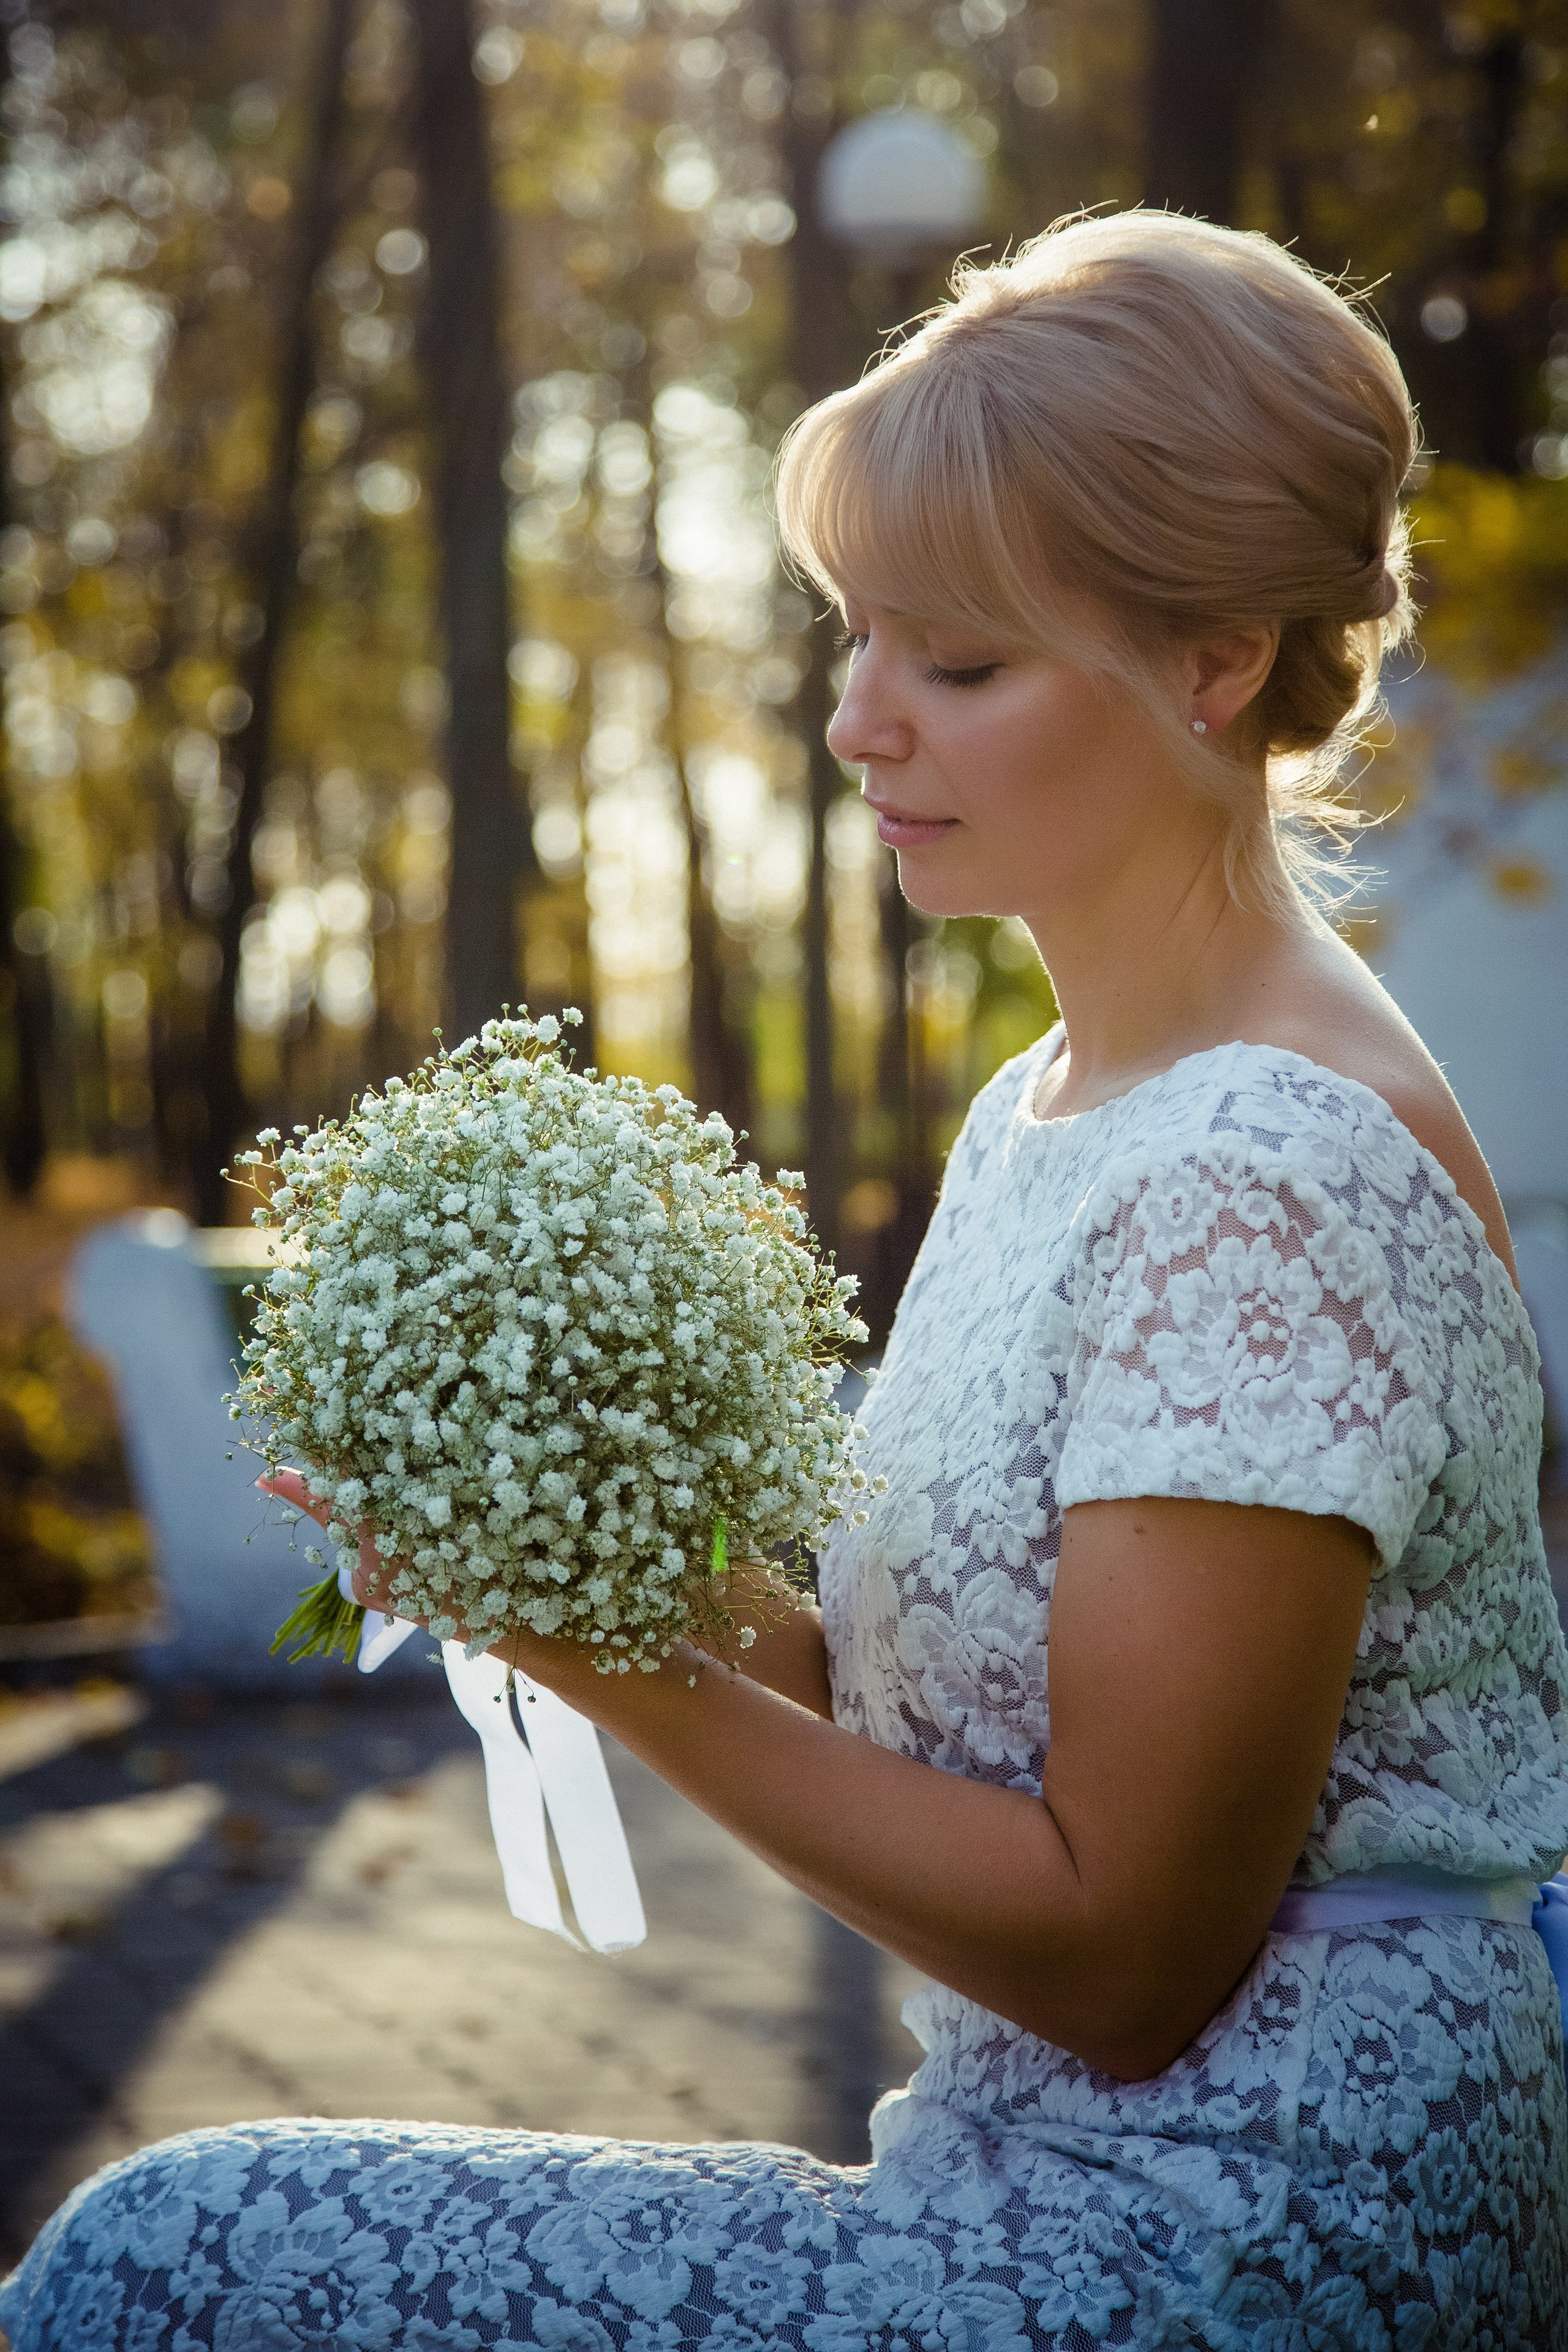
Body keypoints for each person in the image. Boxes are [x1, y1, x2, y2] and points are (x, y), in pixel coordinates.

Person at [6, 207, 1567, 2352]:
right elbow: (917, 1700)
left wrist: (596, 1659)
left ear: (1217, 661)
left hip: (1231, 2244)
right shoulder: (1067, 1101)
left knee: (148, 2269)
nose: (856, 726)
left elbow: (1122, 1954)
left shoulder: (1263, 1175)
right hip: (1045, 2174)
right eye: (857, 638)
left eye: (959, 660)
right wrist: (518, 1531)